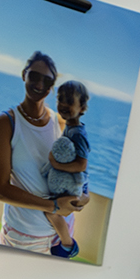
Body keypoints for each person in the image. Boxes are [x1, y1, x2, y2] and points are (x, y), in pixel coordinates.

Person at [0, 52, 84, 254]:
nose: (39, 84)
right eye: (34, 76)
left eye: (47, 80)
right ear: (24, 74)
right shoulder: (7, 123)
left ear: (51, 86)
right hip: (23, 238)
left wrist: (83, 197)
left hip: (59, 235)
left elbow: (75, 167)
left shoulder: (59, 122)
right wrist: (53, 206)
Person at [42, 80, 92, 259]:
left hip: (78, 181)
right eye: (60, 99)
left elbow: (81, 164)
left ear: (82, 107)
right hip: (74, 179)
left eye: (69, 101)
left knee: (51, 211)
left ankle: (68, 245)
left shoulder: (78, 134)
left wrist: (57, 165)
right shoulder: (70, 127)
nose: (63, 104)